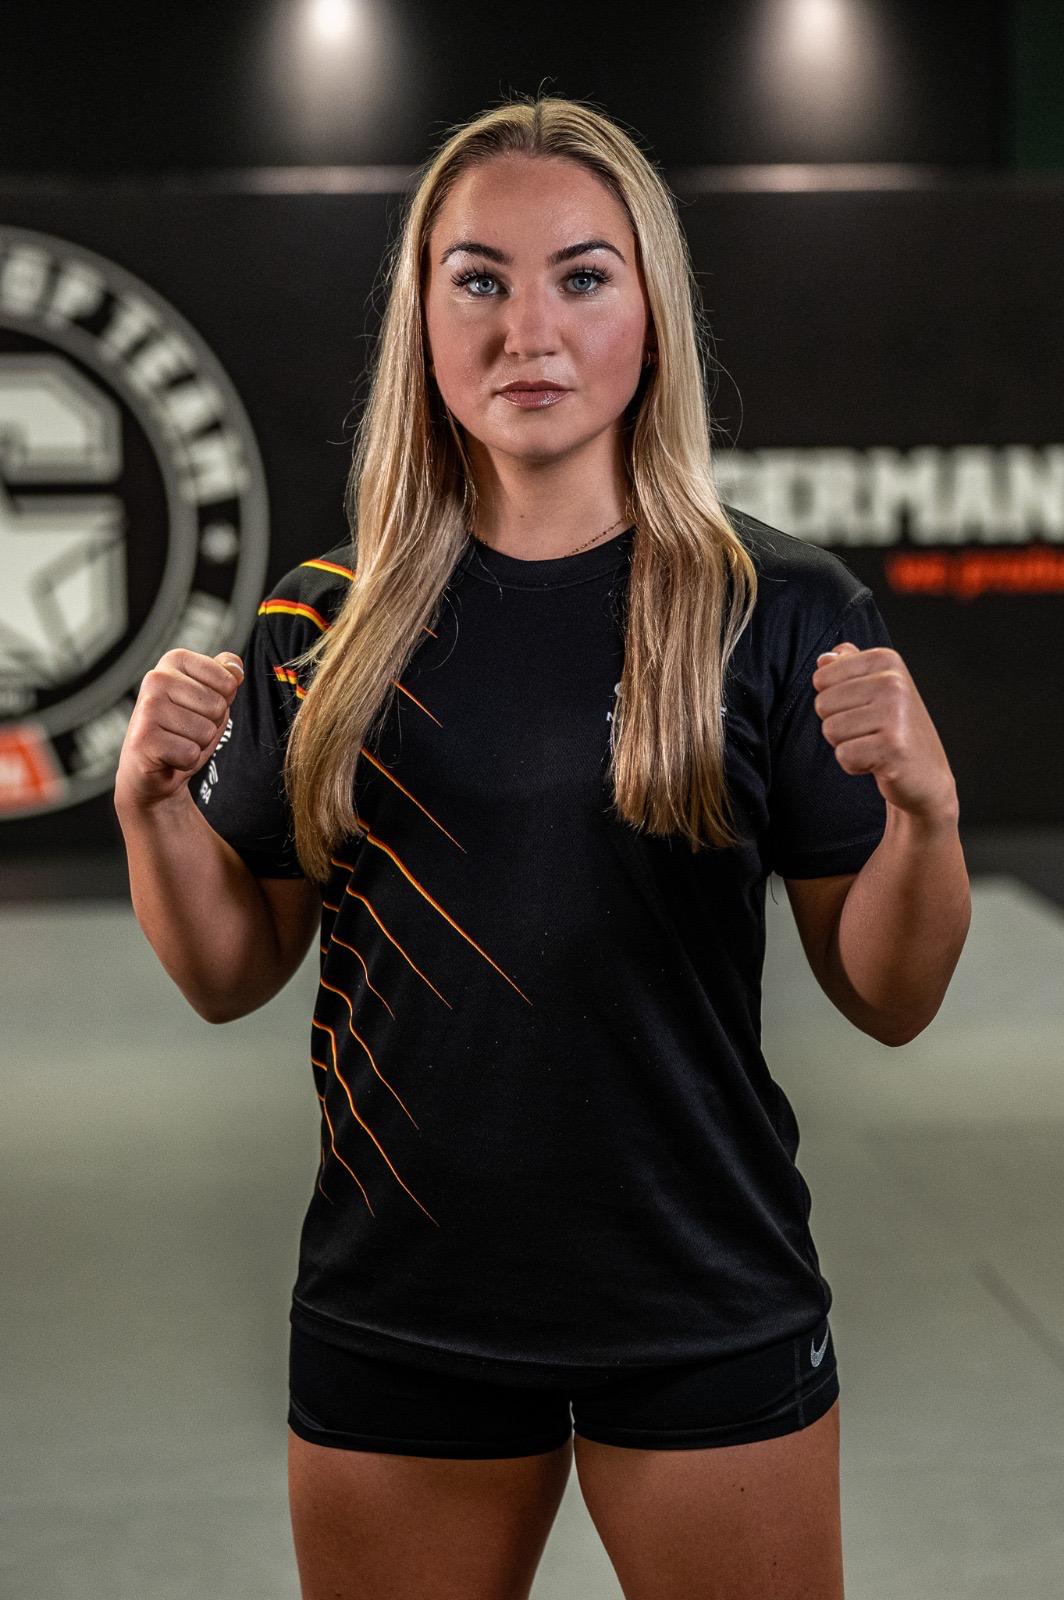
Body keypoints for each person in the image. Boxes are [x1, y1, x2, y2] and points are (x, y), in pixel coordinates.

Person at [114, 93, 971, 1600]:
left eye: (582, 275)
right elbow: (229, 969)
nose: (530, 331)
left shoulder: (779, 610)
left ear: (651, 311)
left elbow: (890, 995)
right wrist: (150, 810)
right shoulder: (321, 622)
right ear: (421, 316)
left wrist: (926, 817)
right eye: (479, 280)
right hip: (402, 1300)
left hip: (701, 1290)